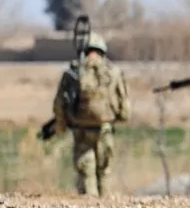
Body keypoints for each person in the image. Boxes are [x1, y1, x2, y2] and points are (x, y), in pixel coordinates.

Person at [49, 32, 130, 197]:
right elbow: (124, 105)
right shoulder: (113, 71)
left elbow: (59, 103)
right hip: (104, 129)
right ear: (102, 50)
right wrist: (119, 118)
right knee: (104, 171)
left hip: (81, 130)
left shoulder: (73, 72)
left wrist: (61, 125)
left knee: (86, 171)